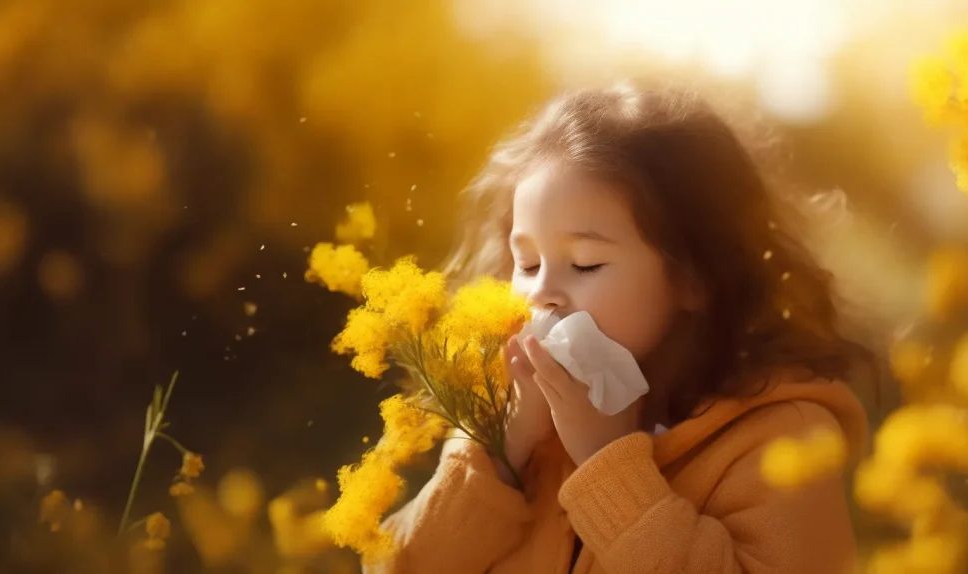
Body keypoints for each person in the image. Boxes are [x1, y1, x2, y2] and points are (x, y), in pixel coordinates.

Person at [368, 82, 872, 573]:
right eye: (526, 263)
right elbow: (396, 565)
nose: (541, 292)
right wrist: (500, 455)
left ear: (694, 275)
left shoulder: (780, 437)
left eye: (585, 264)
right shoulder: (510, 415)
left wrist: (607, 463)